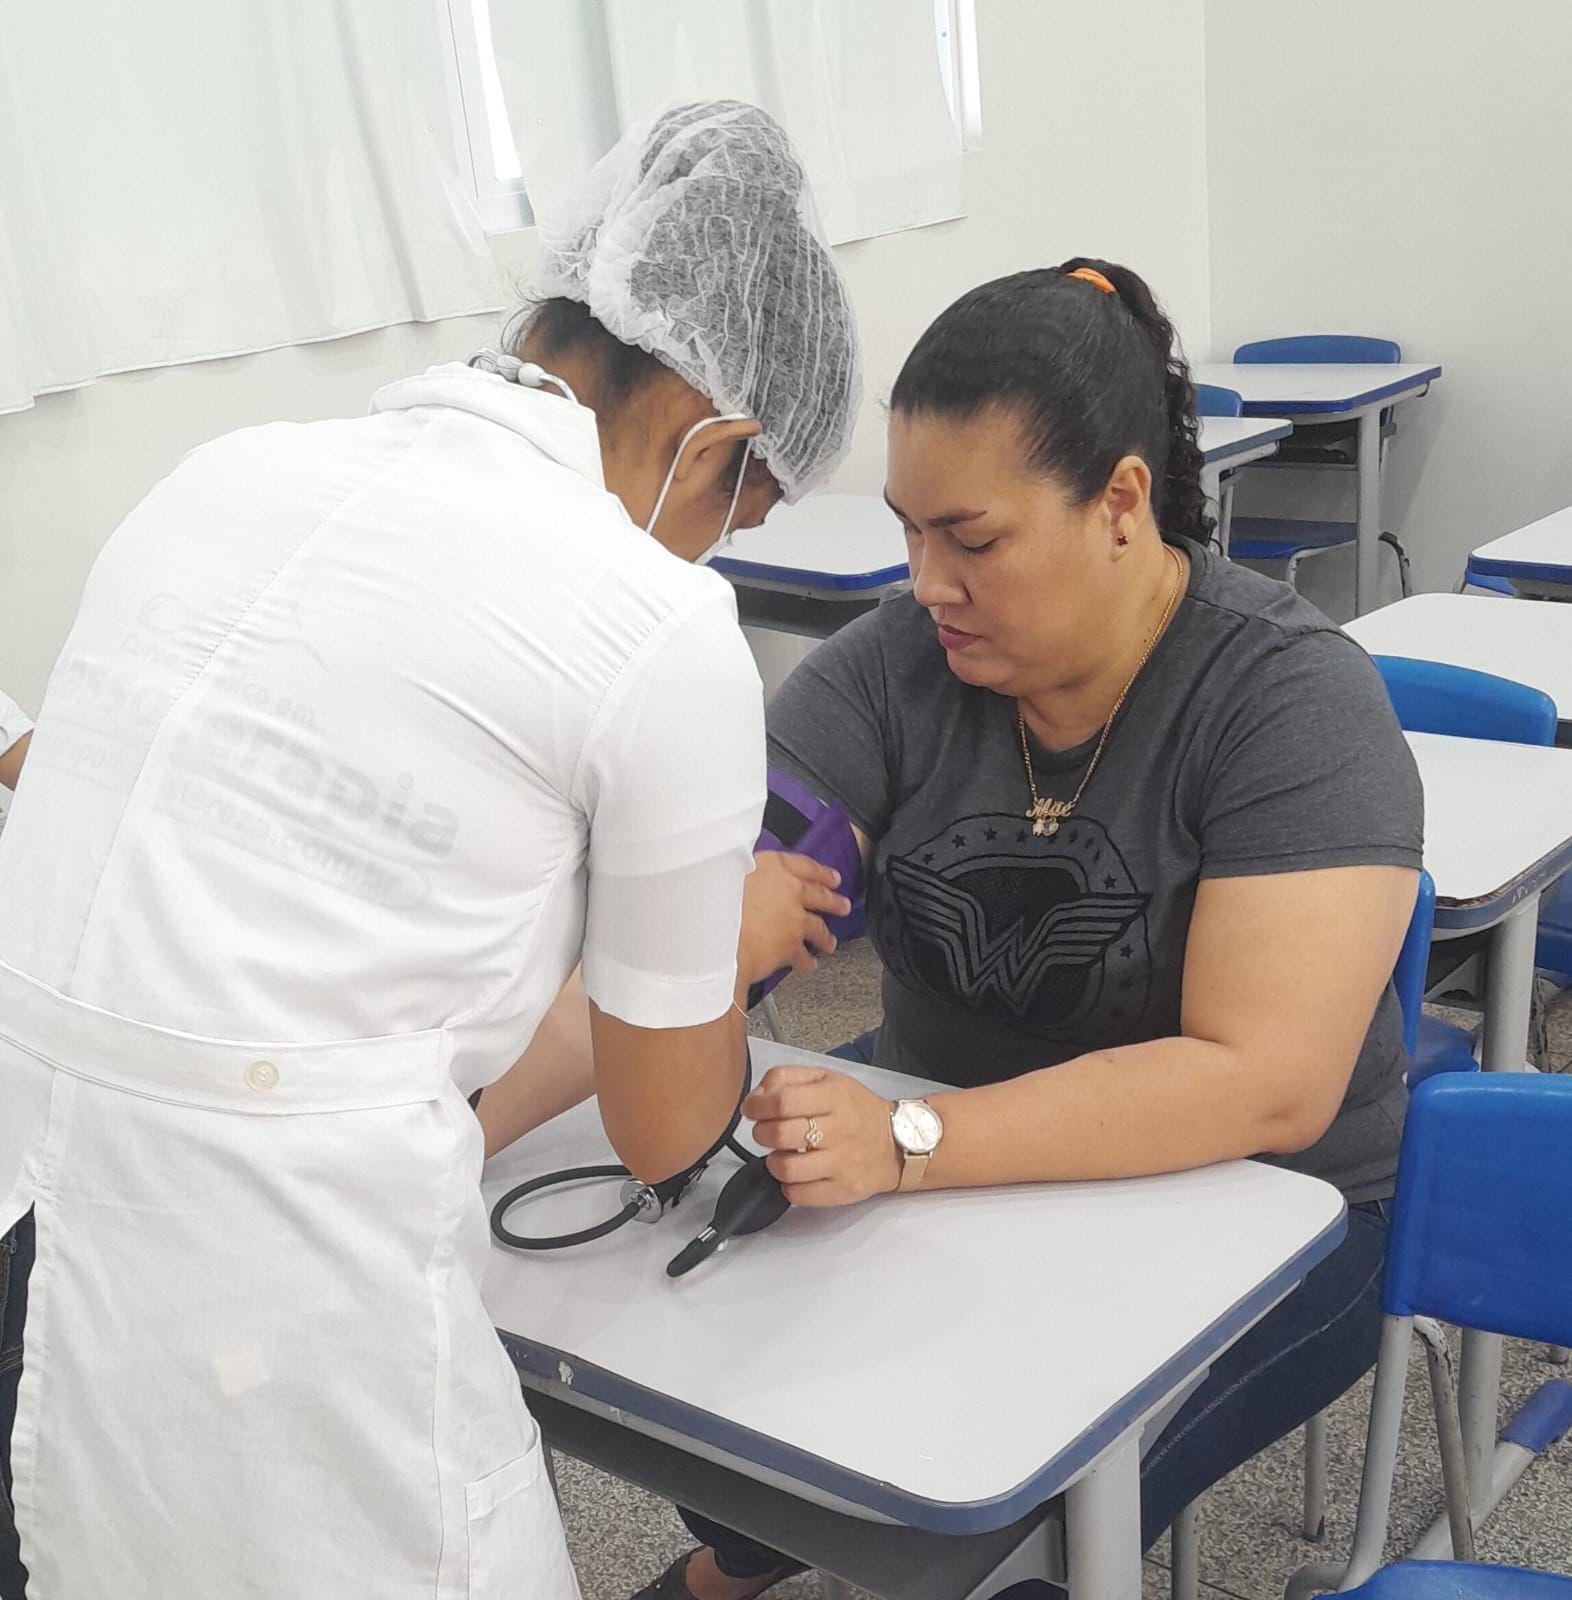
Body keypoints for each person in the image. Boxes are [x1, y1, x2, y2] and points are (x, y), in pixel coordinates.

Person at [0, 100, 858, 1600]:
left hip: (34, 1221)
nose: (713, 547)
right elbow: (665, 1134)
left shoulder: (225, 471)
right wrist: (717, 944)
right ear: (715, 440)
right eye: (740, 509)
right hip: (273, 1315)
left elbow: (303, 1026)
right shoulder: (656, 626)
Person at [630, 260, 1422, 1600]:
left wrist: (917, 1142)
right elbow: (744, 866)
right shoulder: (902, 663)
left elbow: (1266, 1082)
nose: (926, 580)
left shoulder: (1290, 705)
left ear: (1120, 503)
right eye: (910, 530)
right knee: (742, 1421)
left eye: (973, 540)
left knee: (1001, 1536)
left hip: (1265, 1221)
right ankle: (737, 1566)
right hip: (959, 1174)